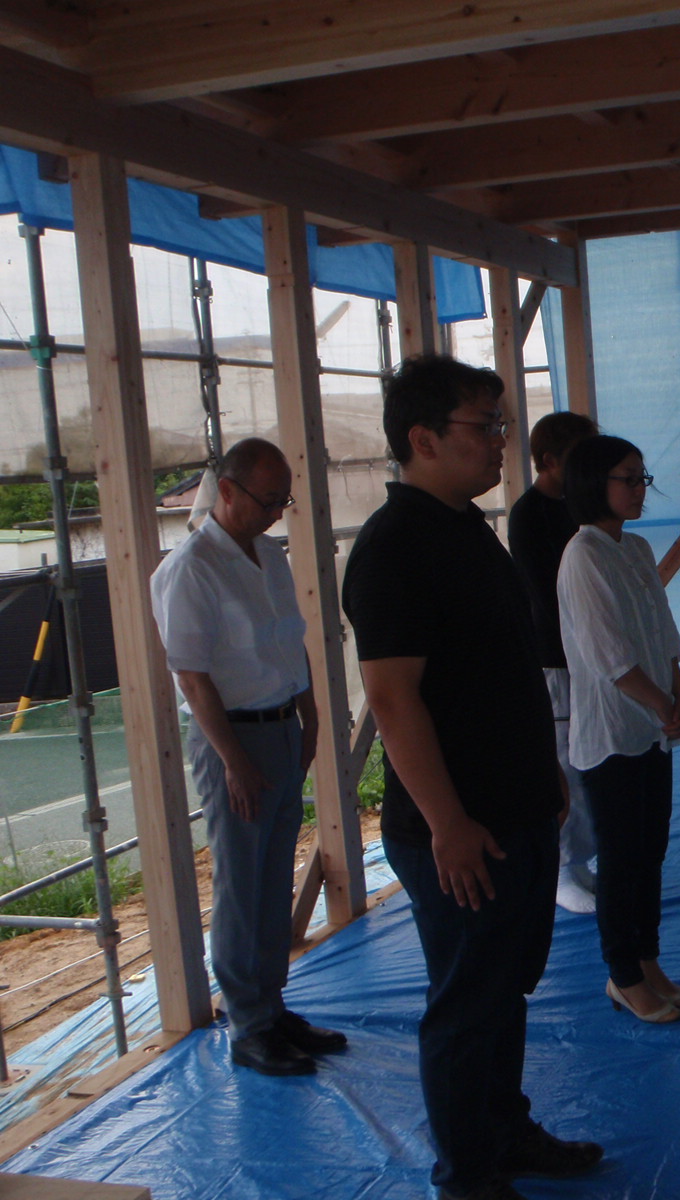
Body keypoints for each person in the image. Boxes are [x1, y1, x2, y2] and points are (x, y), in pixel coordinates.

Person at [341, 355, 603, 1200]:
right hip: (461, 826)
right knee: (466, 1003)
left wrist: (544, 775)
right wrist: (447, 823)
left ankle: (504, 1130)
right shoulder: (394, 548)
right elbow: (393, 699)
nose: (499, 441)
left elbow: (505, 672)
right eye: (484, 427)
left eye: (500, 424)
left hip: (514, 805)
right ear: (423, 439)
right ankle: (469, 1176)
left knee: (506, 987)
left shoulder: (467, 529)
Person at [149, 437, 347, 1076]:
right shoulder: (190, 569)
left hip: (282, 725)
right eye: (266, 500)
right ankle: (248, 1024)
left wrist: (311, 716)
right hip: (233, 738)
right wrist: (233, 760)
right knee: (241, 881)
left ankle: (272, 1004)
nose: (275, 512)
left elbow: (294, 641)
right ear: (228, 491)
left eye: (282, 500)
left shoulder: (269, 555)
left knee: (272, 875)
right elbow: (192, 677)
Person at [556, 435, 680, 1025]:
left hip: (653, 724)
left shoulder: (635, 548)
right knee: (620, 858)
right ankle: (623, 974)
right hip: (613, 729)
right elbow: (608, 654)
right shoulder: (583, 554)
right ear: (596, 484)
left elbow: (662, 630)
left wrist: (677, 688)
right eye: (629, 479)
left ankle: (648, 960)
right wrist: (661, 700)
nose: (641, 490)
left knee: (650, 851)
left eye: (643, 478)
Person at [508, 411, 600, 914]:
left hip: (586, 655)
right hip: (554, 657)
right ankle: (561, 867)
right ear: (548, 461)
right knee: (564, 764)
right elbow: (545, 595)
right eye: (576, 458)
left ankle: (580, 860)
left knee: (591, 760)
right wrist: (579, 643)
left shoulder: (577, 507)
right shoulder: (529, 514)